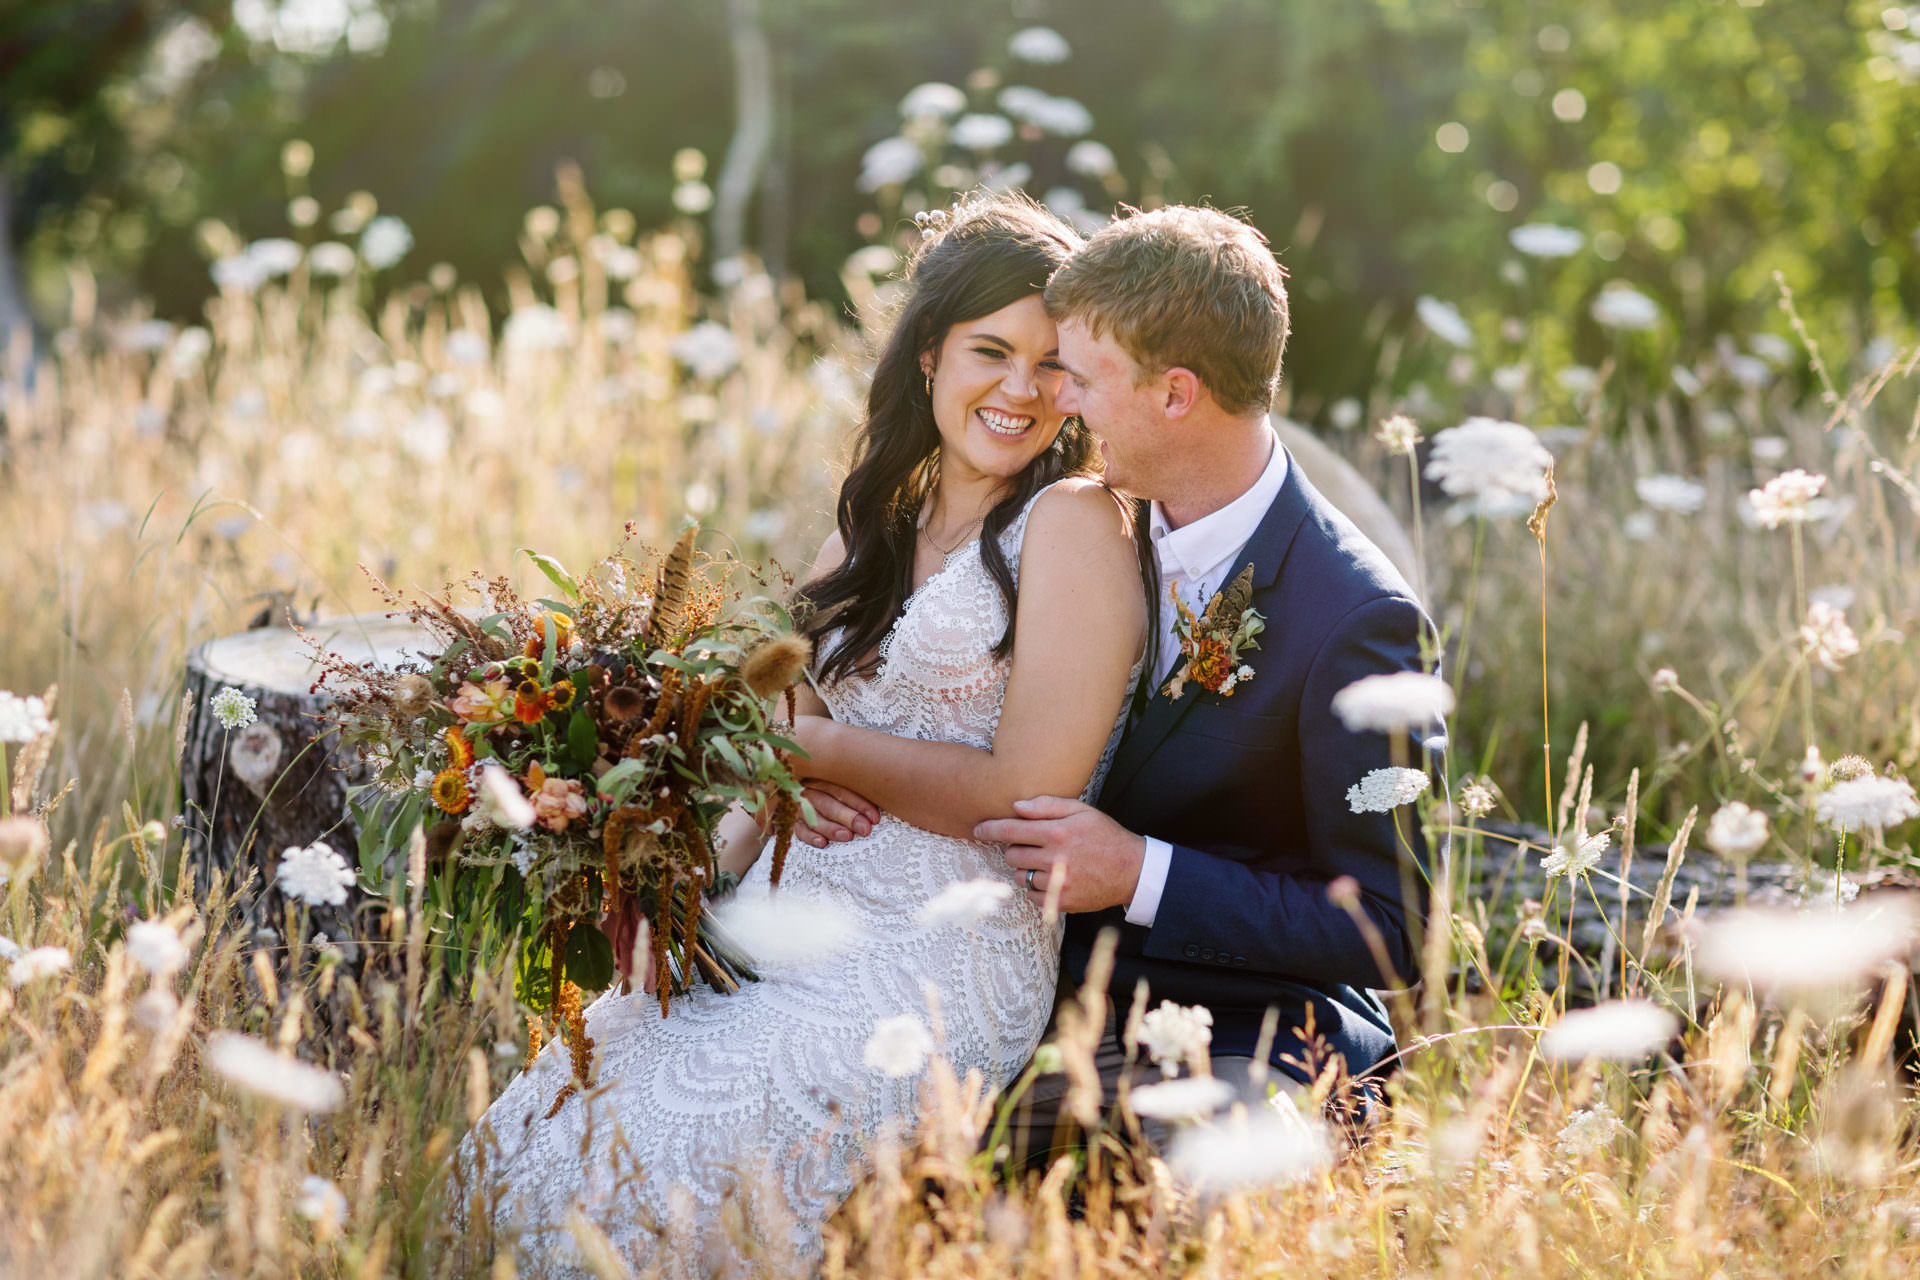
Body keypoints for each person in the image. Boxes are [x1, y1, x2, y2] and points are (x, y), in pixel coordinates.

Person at [455, 194, 1146, 1276]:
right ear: (928, 354)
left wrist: (816, 758)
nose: (1023, 388)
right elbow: (784, 715)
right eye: (991, 351)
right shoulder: (880, 515)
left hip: (942, 945)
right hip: (790, 907)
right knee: (551, 1122)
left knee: (667, 1147)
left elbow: (1025, 785)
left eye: (1054, 363)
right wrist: (696, 886)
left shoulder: (1074, 523)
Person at [809, 205, 1437, 1153]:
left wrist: (1143, 874)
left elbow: (1393, 928)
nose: (1061, 402)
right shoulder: (1096, 524)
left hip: (1245, 1030)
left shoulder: (1353, 619)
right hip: (1049, 996)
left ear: (1175, 394)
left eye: (1081, 377)